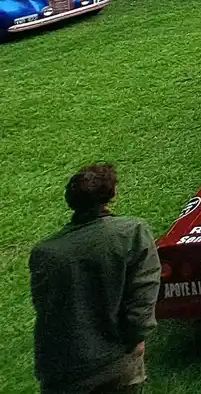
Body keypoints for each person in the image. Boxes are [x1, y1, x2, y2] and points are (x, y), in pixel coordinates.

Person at [30, 164, 160, 394]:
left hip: (60, 372)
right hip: (115, 364)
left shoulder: (45, 252)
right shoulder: (132, 233)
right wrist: (136, 338)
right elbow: (143, 292)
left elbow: (45, 306)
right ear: (112, 195)